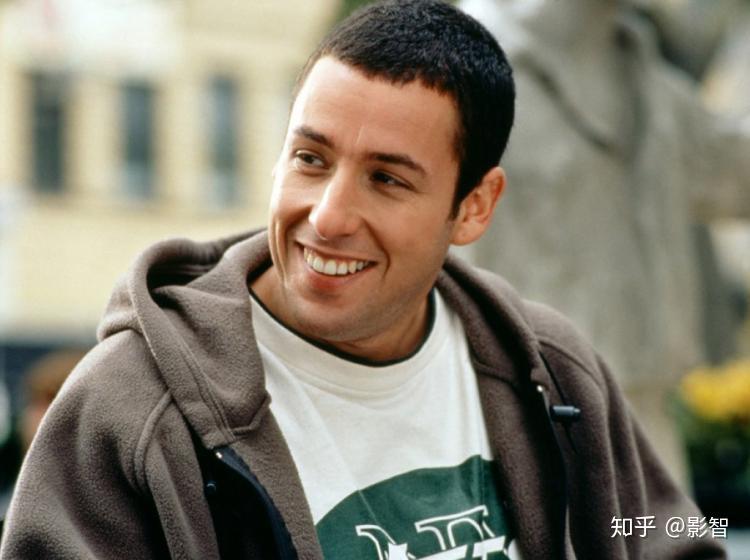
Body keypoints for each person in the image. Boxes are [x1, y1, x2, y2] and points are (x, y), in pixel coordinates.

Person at [0, 1, 726, 558]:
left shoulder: (550, 368)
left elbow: (667, 535)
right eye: (310, 159)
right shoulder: (131, 410)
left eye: (387, 178)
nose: (328, 216)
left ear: (475, 206)